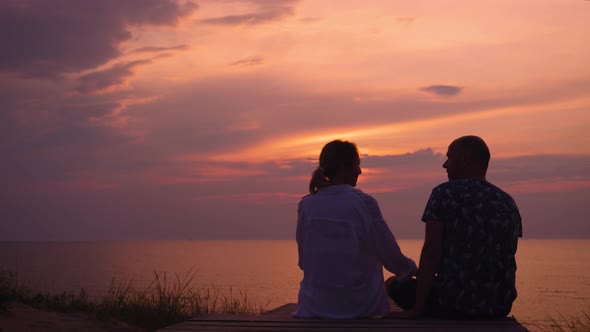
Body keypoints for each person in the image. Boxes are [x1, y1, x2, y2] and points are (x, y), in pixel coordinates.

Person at [384, 135, 523, 319]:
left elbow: (431, 252)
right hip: (498, 305)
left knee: (394, 284)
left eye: (449, 157)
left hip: (453, 303)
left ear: (464, 160)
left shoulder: (444, 193)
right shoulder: (507, 202)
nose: (444, 165)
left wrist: (417, 309)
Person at [294, 139, 417, 319]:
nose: (360, 171)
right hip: (358, 307)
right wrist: (411, 270)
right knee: (393, 284)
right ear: (344, 167)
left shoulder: (306, 204)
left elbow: (303, 259)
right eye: (356, 165)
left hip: (313, 306)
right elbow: (389, 253)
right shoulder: (363, 202)